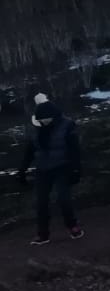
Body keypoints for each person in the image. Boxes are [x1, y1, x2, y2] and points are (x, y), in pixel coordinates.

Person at [17, 93, 83, 245]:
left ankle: (72, 226)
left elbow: (75, 150)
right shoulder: (36, 129)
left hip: (62, 166)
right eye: (40, 121)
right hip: (42, 169)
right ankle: (43, 234)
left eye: (45, 120)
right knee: (41, 202)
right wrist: (22, 170)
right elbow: (30, 150)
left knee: (63, 198)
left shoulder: (67, 125)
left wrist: (76, 170)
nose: (43, 123)